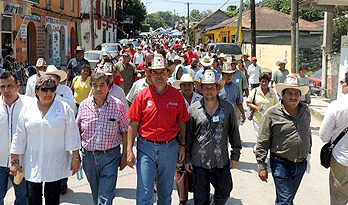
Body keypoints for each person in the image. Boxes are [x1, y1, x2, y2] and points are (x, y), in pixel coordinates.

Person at [126, 54, 189, 205]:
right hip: (146, 148)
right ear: (150, 74)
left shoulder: (177, 96)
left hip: (169, 148)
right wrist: (128, 150)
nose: (159, 75)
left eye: (162, 72)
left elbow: (182, 123)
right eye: (155, 72)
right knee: (145, 192)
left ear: (168, 74)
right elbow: (133, 124)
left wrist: (182, 145)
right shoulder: (142, 96)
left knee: (165, 192)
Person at [10, 75, 81, 205]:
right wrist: (14, 161)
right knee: (33, 199)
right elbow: (19, 136)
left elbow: (72, 134)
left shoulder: (64, 108)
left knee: (52, 199)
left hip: (55, 161)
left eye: (52, 89)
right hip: (32, 162)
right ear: (36, 90)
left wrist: (75, 158)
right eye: (44, 89)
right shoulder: (27, 109)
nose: (48, 93)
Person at [185, 69, 242, 205]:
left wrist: (235, 154)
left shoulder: (228, 108)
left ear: (217, 88)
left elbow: (234, 133)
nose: (209, 90)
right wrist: (187, 158)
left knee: (225, 191)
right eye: (205, 87)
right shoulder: (193, 110)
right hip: (199, 162)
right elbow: (188, 136)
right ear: (201, 89)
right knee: (200, 198)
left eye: (212, 87)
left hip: (221, 161)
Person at [255, 74, 311, 205]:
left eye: (296, 93)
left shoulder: (305, 111)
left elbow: (307, 133)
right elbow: (263, 141)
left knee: (283, 199)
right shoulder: (271, 113)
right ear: (283, 95)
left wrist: (308, 154)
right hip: (281, 164)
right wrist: (261, 165)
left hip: (301, 164)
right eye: (290, 93)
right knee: (286, 201)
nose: (293, 97)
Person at [76, 73, 128, 205]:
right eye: (95, 85)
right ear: (91, 88)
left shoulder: (118, 105)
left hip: (110, 156)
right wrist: (75, 156)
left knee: (105, 195)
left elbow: (125, 130)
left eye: (102, 85)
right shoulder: (83, 105)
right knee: (96, 192)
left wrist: (125, 155)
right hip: (89, 157)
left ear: (108, 87)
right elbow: (76, 131)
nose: (99, 89)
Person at [0, 71, 31, 205]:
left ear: (18, 86)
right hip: (0, 163)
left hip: (21, 163)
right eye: (2, 87)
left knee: (22, 199)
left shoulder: (30, 105)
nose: (6, 90)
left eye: (10, 86)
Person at [319, 71, 348, 205]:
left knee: (338, 198)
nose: (342, 84)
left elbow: (324, 136)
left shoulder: (337, 106)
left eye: (342, 82)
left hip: (341, 159)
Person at [172, 74, 201, 205]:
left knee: (197, 167)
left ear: (193, 86)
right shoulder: (175, 99)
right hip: (179, 137)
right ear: (180, 86)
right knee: (180, 167)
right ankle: (182, 199)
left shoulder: (200, 99)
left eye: (189, 85)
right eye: (184, 85)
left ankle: (198, 193)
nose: (187, 87)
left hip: (197, 138)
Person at [246, 73, 278, 149]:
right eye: (262, 81)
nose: (263, 83)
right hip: (258, 119)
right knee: (259, 136)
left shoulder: (272, 92)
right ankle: (260, 152)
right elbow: (248, 102)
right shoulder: (255, 91)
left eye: (266, 81)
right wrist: (256, 107)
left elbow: (276, 105)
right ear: (259, 82)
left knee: (268, 137)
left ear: (268, 82)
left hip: (269, 120)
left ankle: (259, 148)